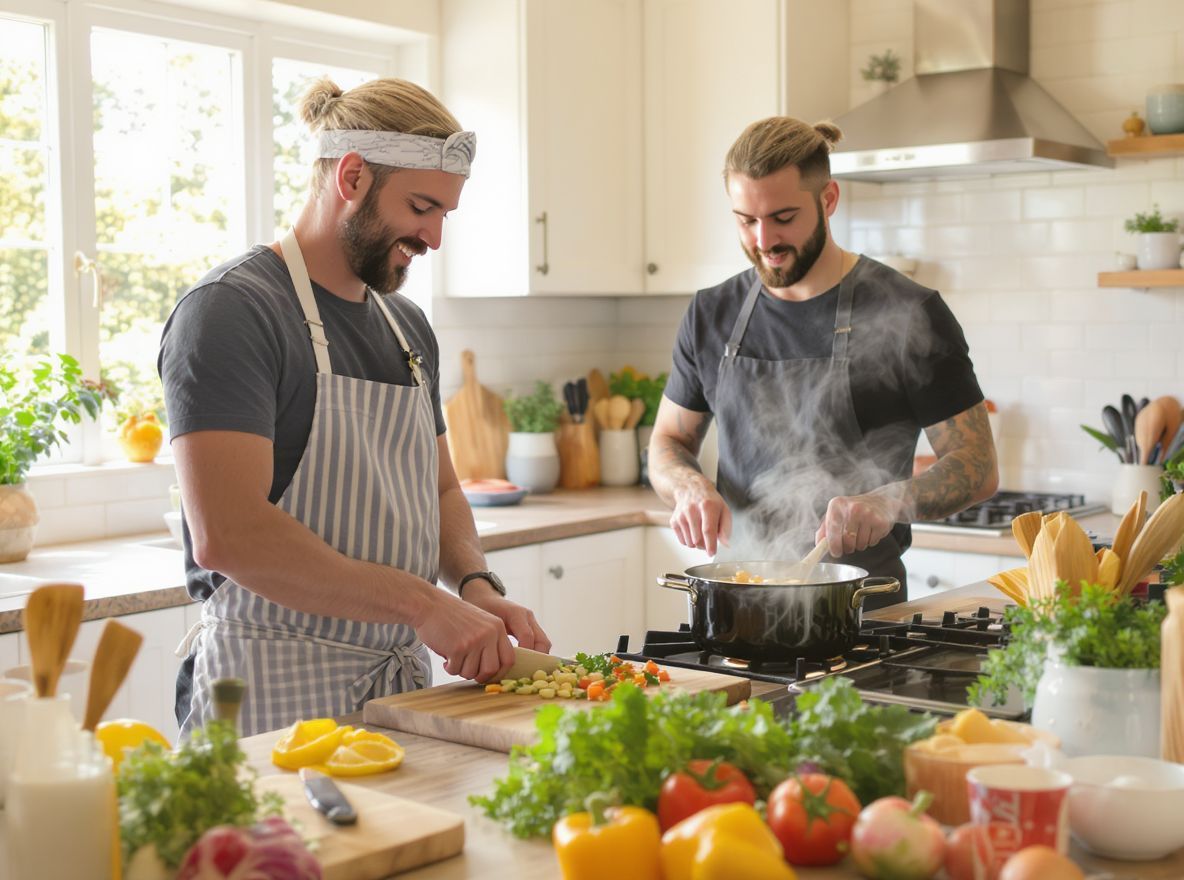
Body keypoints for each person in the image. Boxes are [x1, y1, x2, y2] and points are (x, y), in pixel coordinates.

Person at [160, 77, 549, 737]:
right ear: (351, 176)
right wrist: (422, 604)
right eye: (421, 207)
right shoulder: (231, 312)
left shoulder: (407, 326)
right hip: (267, 694)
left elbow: (440, 489)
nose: (433, 237)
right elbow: (229, 533)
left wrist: (474, 586)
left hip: (398, 692)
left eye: (445, 215)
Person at [648, 116, 998, 606]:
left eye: (783, 217)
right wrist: (688, 486)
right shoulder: (712, 313)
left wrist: (888, 500)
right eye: (746, 220)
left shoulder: (909, 313)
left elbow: (977, 466)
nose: (764, 241)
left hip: (861, 608)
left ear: (828, 199)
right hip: (737, 603)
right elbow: (668, 440)